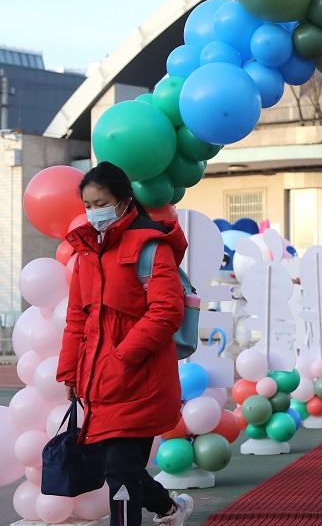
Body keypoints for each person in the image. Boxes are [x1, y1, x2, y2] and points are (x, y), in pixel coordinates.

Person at [56, 162, 194, 526]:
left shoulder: (151, 244)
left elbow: (166, 311)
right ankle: (168, 508)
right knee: (115, 465)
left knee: (119, 467)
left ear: (122, 200)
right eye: (86, 204)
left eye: (99, 202)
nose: (93, 211)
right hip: (100, 382)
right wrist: (70, 372)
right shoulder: (86, 250)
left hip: (141, 379)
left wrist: (123, 356)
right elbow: (77, 319)